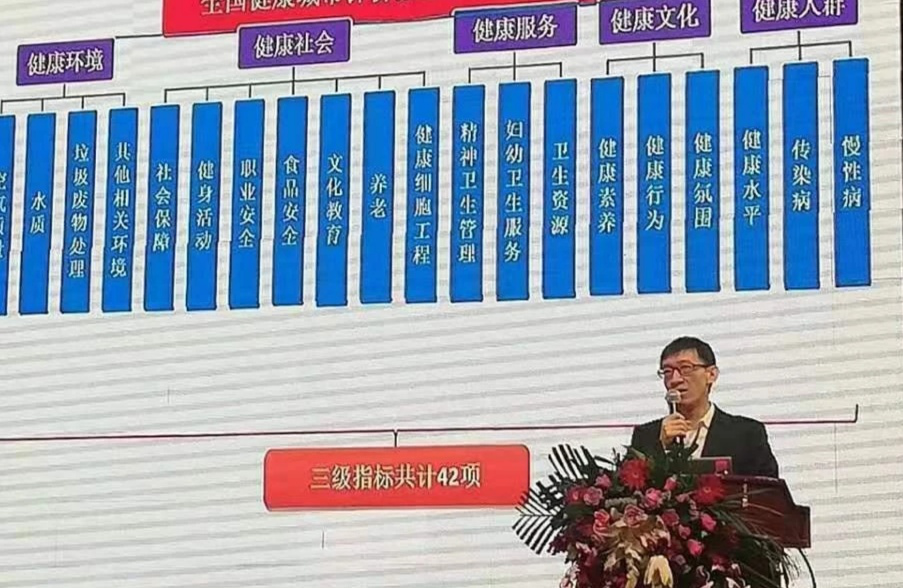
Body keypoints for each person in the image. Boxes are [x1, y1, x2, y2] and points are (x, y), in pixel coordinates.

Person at [629, 336, 780, 478]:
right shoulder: (645, 436)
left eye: (686, 368)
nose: (675, 380)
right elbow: (626, 488)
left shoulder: (747, 434)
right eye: (667, 371)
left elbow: (769, 490)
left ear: (711, 374)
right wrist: (660, 446)